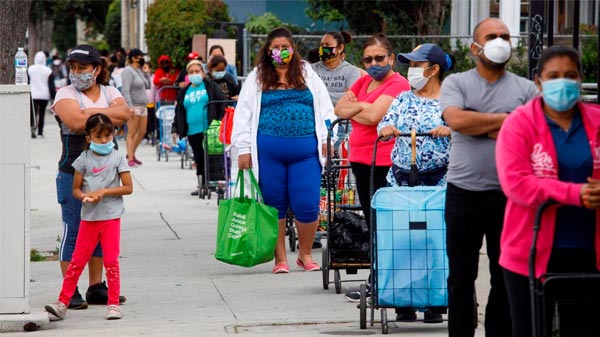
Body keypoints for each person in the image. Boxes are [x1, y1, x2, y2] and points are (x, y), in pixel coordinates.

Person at [439, 18, 538, 337]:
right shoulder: (456, 83)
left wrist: (479, 123)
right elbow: (455, 119)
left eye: (505, 36)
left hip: (509, 198)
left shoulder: (525, 87)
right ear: (474, 47)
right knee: (460, 277)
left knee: (505, 275)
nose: (500, 41)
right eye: (492, 36)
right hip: (462, 194)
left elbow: (533, 131)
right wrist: (509, 120)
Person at [496, 45, 600, 337]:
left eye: (570, 75)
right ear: (538, 81)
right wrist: (576, 194)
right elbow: (517, 184)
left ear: (580, 79)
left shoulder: (596, 120)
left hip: (589, 252)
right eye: (554, 76)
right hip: (529, 252)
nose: (563, 82)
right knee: (531, 330)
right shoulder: (519, 124)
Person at [231, 27, 336, 274]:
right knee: (274, 204)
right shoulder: (257, 77)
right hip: (268, 153)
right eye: (275, 48)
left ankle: (305, 254)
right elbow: (242, 115)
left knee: (308, 204)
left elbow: (325, 108)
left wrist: (328, 138)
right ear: (268, 51)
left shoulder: (307, 73)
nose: (281, 52)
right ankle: (280, 259)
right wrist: (243, 148)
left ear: (293, 48)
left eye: (285, 47)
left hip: (306, 152)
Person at [50, 44, 131, 310]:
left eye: (82, 67)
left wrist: (89, 115)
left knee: (100, 231)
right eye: (72, 67)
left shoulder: (110, 91)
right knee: (74, 231)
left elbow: (125, 113)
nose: (76, 72)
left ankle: (96, 287)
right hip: (73, 174)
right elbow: (73, 121)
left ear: (96, 69)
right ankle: (69, 290)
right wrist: (105, 116)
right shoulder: (65, 92)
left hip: (107, 179)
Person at [377, 43, 453, 323]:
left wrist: (450, 128)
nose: (411, 71)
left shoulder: (450, 100)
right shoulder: (403, 98)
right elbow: (385, 123)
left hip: (439, 181)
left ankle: (435, 301)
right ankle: (403, 300)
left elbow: (462, 127)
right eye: (410, 65)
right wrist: (385, 129)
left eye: (416, 65)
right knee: (403, 240)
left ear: (433, 70)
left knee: (435, 241)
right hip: (402, 180)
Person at [45, 113, 133, 321]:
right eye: (98, 137)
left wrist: (103, 192)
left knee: (111, 262)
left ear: (114, 134)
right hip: (89, 219)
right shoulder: (82, 160)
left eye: (107, 136)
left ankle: (113, 304)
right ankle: (62, 303)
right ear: (89, 138)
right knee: (77, 261)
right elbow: (76, 189)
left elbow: (128, 188)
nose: (104, 141)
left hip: (111, 219)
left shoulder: (118, 158)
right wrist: (84, 196)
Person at [311, 31, 362, 249]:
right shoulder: (313, 70)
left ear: (340, 48)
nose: (323, 48)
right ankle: (314, 227)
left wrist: (326, 103)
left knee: (342, 180)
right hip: (316, 129)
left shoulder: (350, 72)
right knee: (319, 181)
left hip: (342, 130)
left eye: (328, 45)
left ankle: (342, 222)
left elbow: (350, 101)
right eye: (321, 44)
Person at [171, 60, 226, 196]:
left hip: (210, 129)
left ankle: (217, 182)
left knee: (213, 156)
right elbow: (179, 111)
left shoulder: (210, 86)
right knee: (199, 157)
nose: (194, 74)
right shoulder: (184, 91)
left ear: (202, 72)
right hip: (192, 130)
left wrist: (218, 122)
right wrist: (175, 128)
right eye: (191, 72)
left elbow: (222, 103)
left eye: (197, 71)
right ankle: (201, 183)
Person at [121, 48, 151, 167]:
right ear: (134, 58)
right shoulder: (128, 71)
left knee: (142, 131)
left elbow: (147, 85)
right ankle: (130, 158)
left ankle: (131, 153)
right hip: (134, 105)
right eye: (140, 56)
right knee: (132, 132)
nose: (142, 59)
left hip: (143, 105)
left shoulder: (138, 70)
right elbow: (125, 89)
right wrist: (130, 106)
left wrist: (146, 72)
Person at [28, 50, 56, 138]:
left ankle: (33, 128)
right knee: (42, 114)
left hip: (33, 94)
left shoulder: (30, 69)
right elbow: (51, 86)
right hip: (44, 94)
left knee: (33, 113)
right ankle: (40, 132)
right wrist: (54, 97)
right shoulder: (48, 71)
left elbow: (27, 82)